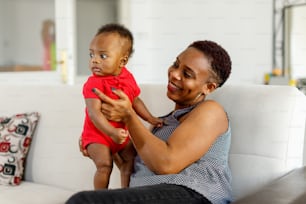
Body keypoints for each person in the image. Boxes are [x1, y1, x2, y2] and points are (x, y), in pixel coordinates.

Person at [70, 40, 233, 204]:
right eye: (176, 64)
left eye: (187, 74)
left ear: (209, 88)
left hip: (193, 193)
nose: (175, 74)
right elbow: (134, 167)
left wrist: (129, 115)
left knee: (83, 201)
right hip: (152, 193)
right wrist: (100, 141)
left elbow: (167, 164)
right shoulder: (161, 124)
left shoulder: (211, 111)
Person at [81, 23, 163, 190]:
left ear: (122, 61)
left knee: (130, 160)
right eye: (91, 54)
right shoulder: (93, 83)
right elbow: (94, 113)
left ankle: (124, 192)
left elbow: (135, 101)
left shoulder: (128, 78)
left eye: (103, 56)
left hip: (120, 135)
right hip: (97, 135)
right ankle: (100, 198)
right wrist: (111, 132)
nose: (94, 60)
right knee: (105, 165)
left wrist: (150, 118)